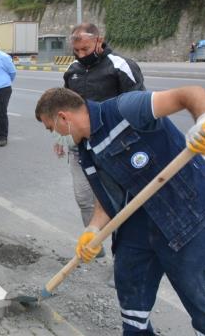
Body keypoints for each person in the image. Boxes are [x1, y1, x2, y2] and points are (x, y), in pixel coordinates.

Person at [35, 86, 205, 335]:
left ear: (63, 117)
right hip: (139, 224)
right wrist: (93, 229)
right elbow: (110, 198)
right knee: (131, 295)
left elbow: (190, 94)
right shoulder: (86, 150)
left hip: (188, 216)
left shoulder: (125, 109)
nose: (53, 135)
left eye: (49, 128)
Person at [61, 23, 145, 258]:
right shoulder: (73, 70)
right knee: (84, 198)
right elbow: (67, 106)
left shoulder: (121, 66)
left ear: (99, 41)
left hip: (116, 149)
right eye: (76, 50)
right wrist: (62, 135)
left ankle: (124, 257)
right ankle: (94, 242)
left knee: (120, 204)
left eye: (85, 49)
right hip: (82, 147)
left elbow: (139, 105)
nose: (81, 55)